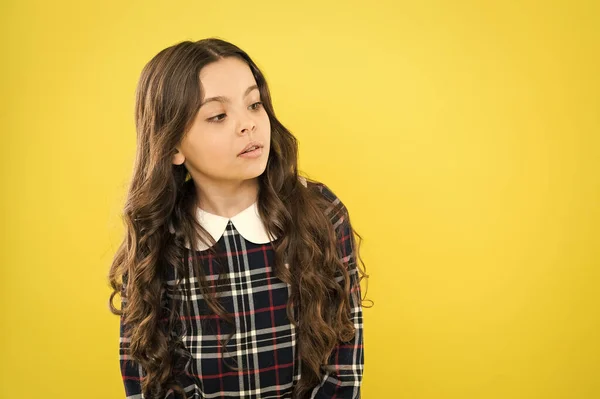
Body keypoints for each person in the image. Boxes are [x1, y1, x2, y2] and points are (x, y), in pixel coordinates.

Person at [107, 37, 370, 399]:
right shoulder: (157, 239)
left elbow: (343, 359)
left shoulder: (321, 214)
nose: (247, 125)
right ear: (172, 147)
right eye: (218, 115)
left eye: (254, 104)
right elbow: (146, 373)